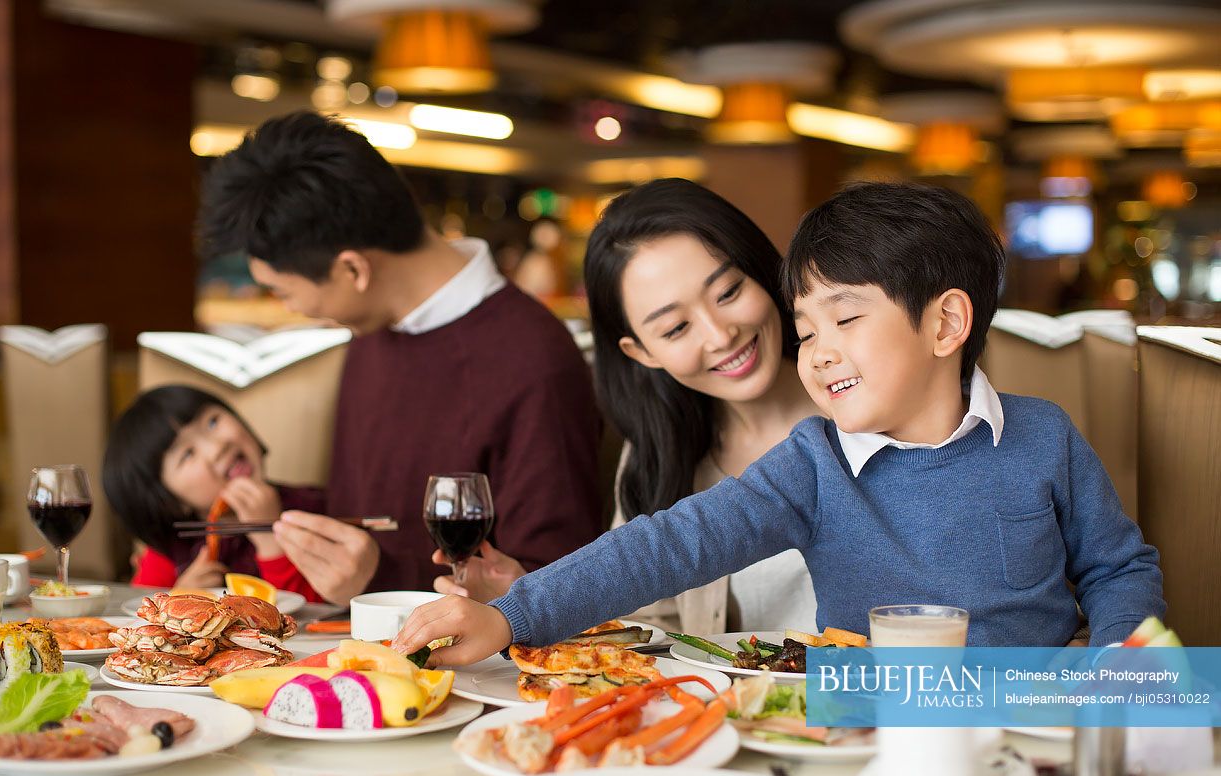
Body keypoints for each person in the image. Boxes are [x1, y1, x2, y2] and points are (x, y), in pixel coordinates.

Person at [395, 181, 1165, 663]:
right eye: (808, 327)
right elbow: (666, 543)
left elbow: (1117, 568)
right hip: (861, 731)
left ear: (944, 324)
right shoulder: (812, 462)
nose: (819, 352)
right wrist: (511, 613)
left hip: (1030, 721)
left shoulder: (1043, 437)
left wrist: (1116, 658)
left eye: (845, 319)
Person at [198, 111, 603, 605]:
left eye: (284, 292)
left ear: (353, 269)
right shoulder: (371, 326)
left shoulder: (534, 361)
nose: (293, 309)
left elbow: (560, 585)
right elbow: (375, 510)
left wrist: (378, 575)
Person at [435, 179, 820, 635]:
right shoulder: (659, 450)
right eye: (676, 328)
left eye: (729, 293)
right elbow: (649, 629)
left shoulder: (874, 422)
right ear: (641, 352)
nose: (719, 335)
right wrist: (530, 600)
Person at [103, 386, 323, 601]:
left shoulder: (315, 510)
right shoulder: (170, 549)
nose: (217, 447)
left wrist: (270, 537)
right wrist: (180, 596)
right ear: (170, 502)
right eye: (188, 454)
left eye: (213, 421)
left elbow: (318, 614)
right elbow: (142, 618)